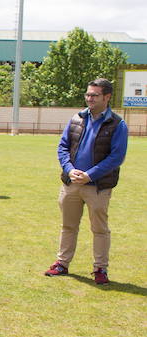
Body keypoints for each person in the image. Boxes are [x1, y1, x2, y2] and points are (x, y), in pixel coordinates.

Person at [45, 78, 128, 285]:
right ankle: (62, 264)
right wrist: (70, 170)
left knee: (99, 229)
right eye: (88, 94)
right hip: (71, 184)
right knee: (68, 226)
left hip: (97, 187)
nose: (89, 98)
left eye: (94, 95)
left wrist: (90, 175)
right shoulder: (76, 119)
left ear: (107, 97)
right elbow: (63, 147)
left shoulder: (118, 124)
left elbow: (116, 157)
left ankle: (100, 269)